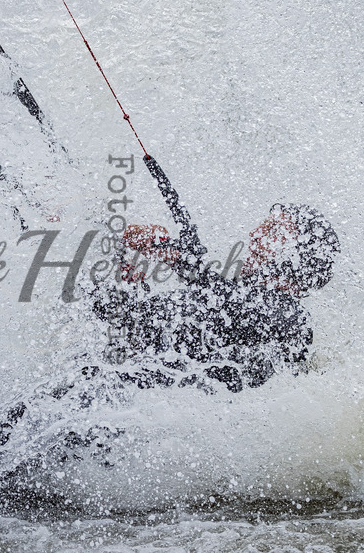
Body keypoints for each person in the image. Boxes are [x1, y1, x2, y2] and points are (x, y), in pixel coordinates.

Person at [90, 158, 340, 393]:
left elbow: (234, 306)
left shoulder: (290, 319)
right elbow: (122, 321)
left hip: (127, 407)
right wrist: (127, 278)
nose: (254, 234)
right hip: (113, 388)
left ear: (298, 258)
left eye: (273, 230)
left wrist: (182, 259)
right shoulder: (227, 304)